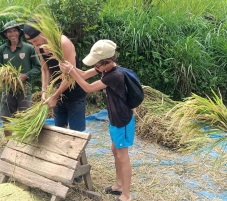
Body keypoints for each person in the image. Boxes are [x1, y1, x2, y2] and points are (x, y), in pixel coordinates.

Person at [59, 39, 134, 201]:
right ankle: (119, 185)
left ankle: (126, 195)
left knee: (122, 155)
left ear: (108, 61)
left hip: (123, 120)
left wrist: (71, 71)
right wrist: (69, 67)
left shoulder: (115, 75)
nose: (96, 67)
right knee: (116, 151)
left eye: (98, 64)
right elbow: (85, 74)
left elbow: (88, 88)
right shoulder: (105, 69)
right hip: (114, 118)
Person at [23, 21, 87, 132]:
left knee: (77, 135)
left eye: (35, 41)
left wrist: (54, 96)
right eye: (31, 42)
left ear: (43, 32)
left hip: (74, 93)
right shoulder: (39, 46)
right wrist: (44, 91)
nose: (34, 45)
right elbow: (45, 69)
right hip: (56, 92)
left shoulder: (63, 43)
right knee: (59, 130)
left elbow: (70, 76)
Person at [0, 20, 41, 137]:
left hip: (24, 89)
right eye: (9, 32)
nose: (12, 34)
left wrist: (26, 75)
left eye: (14, 31)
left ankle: (27, 141)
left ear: (19, 32)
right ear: (6, 34)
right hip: (7, 89)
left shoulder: (28, 48)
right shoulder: (2, 49)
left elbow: (38, 67)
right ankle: (9, 143)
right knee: (6, 118)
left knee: (26, 116)